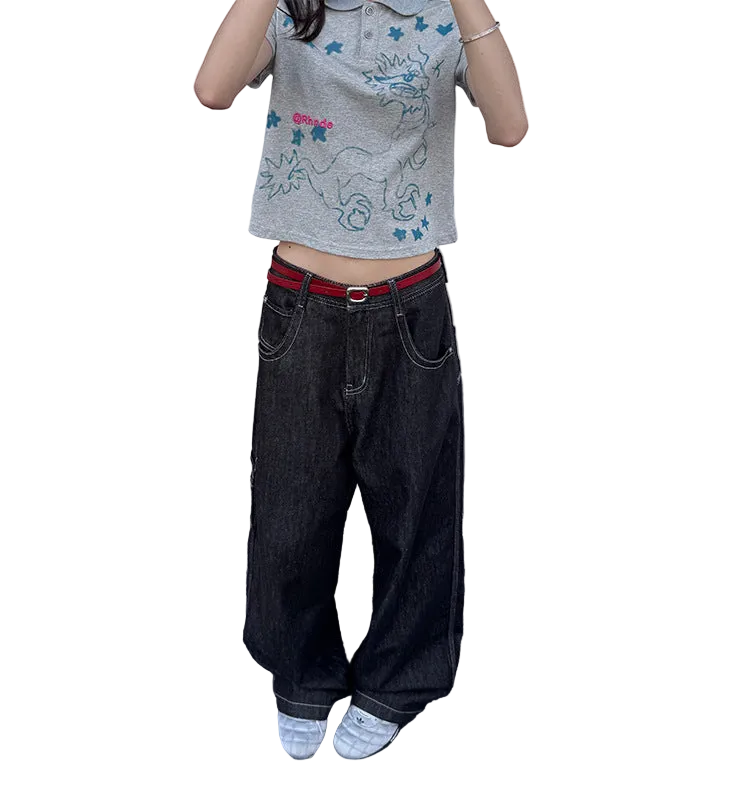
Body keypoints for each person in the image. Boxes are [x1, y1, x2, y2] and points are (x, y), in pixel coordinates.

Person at [194, 0, 527, 759]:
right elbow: (212, 89)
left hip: (411, 309)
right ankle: (301, 675)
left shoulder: (444, 17)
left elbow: (509, 127)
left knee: (417, 512)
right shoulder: (293, 13)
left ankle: (396, 683)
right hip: (301, 304)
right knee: (290, 514)